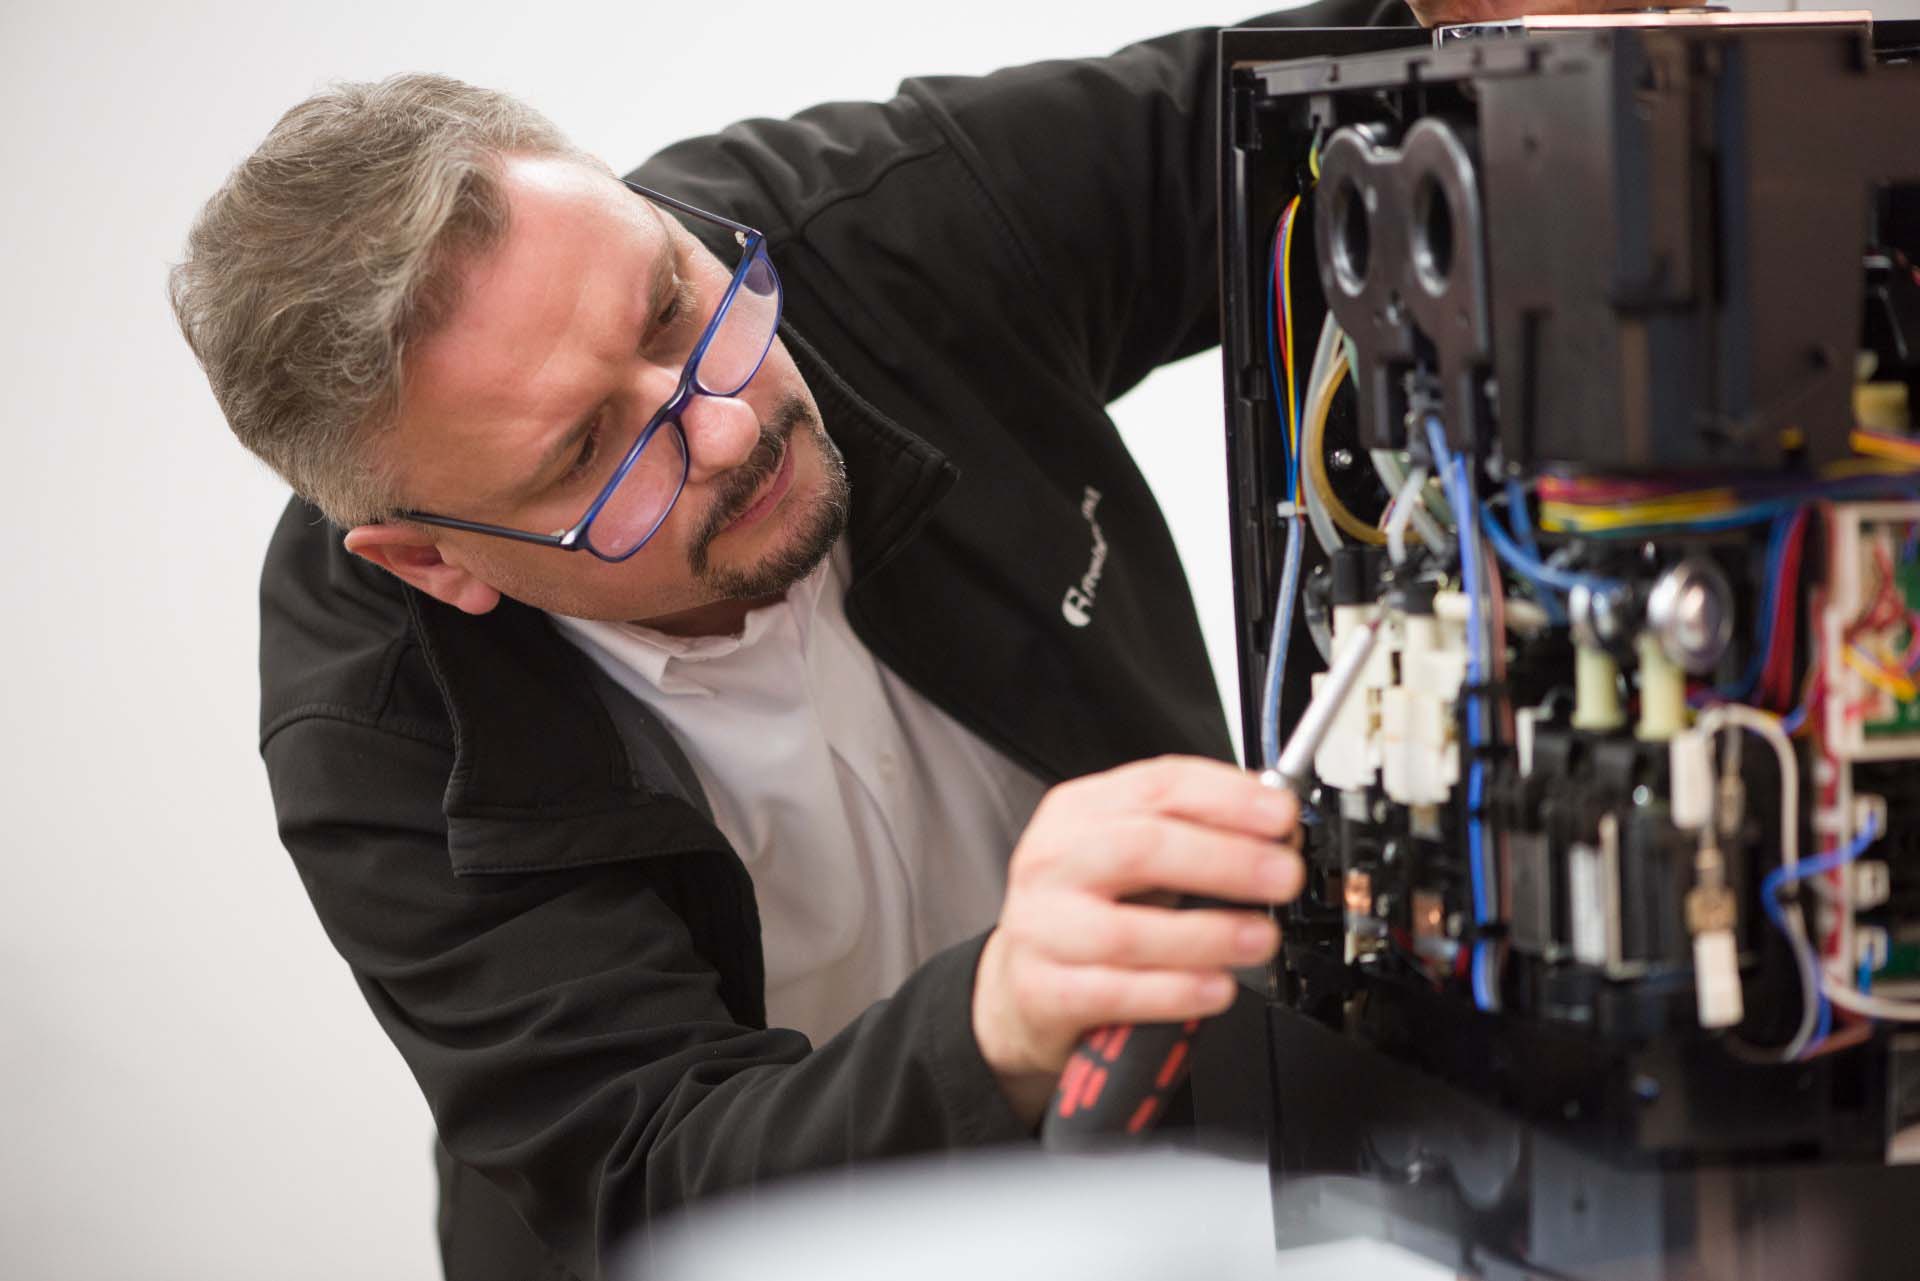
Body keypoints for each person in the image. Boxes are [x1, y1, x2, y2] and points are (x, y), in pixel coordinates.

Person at [165, 1, 1494, 1276]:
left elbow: (1311, 114)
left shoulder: (871, 228)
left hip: (1188, 1166)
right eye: (591, 452)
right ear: (434, 560)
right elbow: (653, 1175)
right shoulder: (376, 719)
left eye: (673, 306)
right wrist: (992, 1023)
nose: (727, 426)